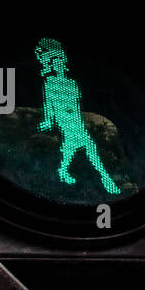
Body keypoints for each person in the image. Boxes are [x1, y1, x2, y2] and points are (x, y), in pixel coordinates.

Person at [34, 37, 120, 195]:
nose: (58, 63)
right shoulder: (50, 84)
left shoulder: (71, 84)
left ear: (64, 60)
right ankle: (104, 178)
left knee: (80, 151)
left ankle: (97, 177)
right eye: (54, 60)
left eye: (60, 59)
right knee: (85, 151)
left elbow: (76, 105)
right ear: (49, 63)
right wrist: (47, 121)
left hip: (77, 124)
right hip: (67, 125)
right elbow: (49, 105)